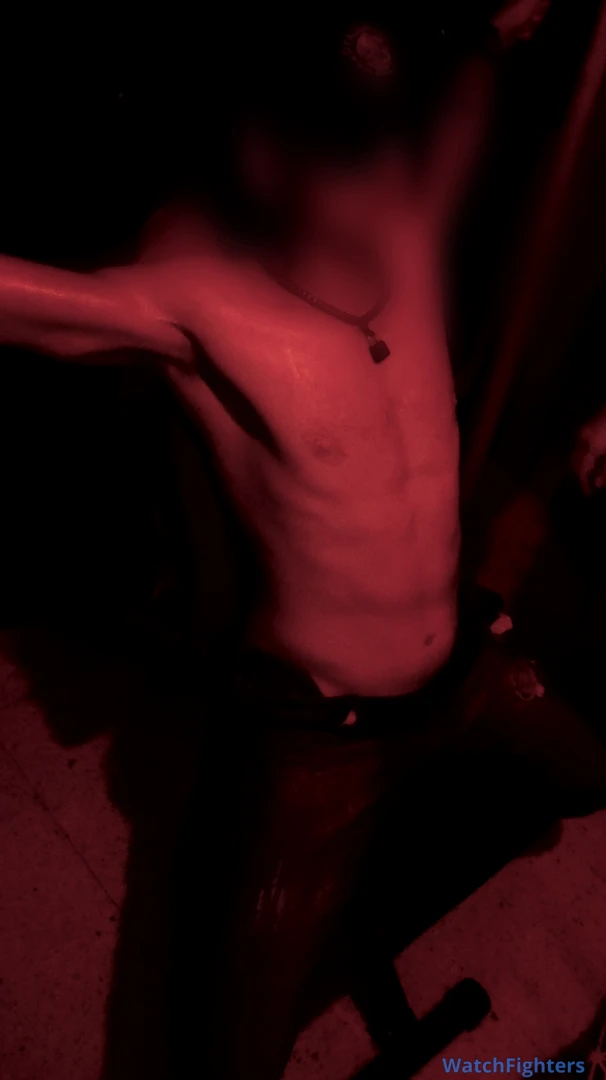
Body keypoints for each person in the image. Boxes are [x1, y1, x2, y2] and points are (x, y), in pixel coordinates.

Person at [4, 4, 593, 1079]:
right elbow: (29, 306)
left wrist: (496, 30)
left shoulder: (410, 209)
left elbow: (473, 90)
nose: (380, 198)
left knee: (590, 770)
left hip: (464, 666)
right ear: (270, 166)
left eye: (389, 157)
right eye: (346, 170)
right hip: (330, 739)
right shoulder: (199, 305)